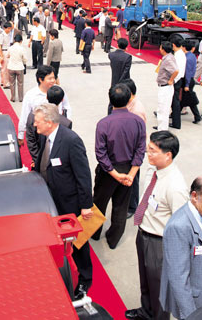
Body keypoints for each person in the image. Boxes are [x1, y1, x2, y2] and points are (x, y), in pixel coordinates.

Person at [125, 131, 188, 320]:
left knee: (159, 289)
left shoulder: (175, 186)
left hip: (159, 243)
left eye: (153, 150)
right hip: (143, 233)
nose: (148, 153)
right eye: (148, 149)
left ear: (168, 155)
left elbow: (181, 226)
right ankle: (146, 312)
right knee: (145, 281)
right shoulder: (153, 171)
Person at [33, 103, 93, 300]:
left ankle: (85, 279)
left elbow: (83, 176)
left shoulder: (71, 141)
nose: (34, 125)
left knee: (77, 243)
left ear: (49, 122)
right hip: (51, 198)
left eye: (38, 121)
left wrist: (86, 206)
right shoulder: (46, 137)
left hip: (69, 202)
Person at [160, 175, 202, 320]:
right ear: (194, 196)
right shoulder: (179, 226)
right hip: (196, 307)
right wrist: (191, 316)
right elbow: (178, 279)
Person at [92, 84, 146, 249]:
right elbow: (141, 149)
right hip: (128, 169)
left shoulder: (104, 123)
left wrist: (114, 173)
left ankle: (95, 233)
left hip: (108, 171)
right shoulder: (138, 121)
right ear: (129, 98)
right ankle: (113, 239)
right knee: (121, 206)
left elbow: (100, 153)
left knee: (99, 203)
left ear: (110, 100)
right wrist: (131, 173)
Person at [17, 65, 72, 146]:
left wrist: (67, 124)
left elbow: (67, 107)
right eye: (50, 78)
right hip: (40, 132)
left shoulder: (58, 90)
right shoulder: (31, 95)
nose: (53, 81)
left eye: (54, 78)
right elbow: (25, 115)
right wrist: (21, 135)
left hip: (57, 129)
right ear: (40, 79)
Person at [119, 78, 147, 219]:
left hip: (133, 149)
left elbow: (138, 135)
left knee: (133, 177)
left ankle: (132, 206)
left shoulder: (136, 110)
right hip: (127, 146)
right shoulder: (129, 104)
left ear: (129, 93)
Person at [26, 85, 72, 164]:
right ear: (62, 100)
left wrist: (37, 160)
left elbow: (31, 140)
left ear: (46, 97)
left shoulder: (33, 116)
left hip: (38, 161)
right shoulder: (66, 123)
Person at [154, 42, 179, 131]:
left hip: (165, 87)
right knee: (162, 109)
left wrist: (171, 80)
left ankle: (162, 130)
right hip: (164, 87)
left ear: (163, 50)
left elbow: (176, 71)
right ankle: (161, 127)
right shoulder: (169, 57)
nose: (159, 49)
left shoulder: (168, 59)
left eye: (160, 47)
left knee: (163, 109)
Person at [181, 41, 202, 124]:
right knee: (184, 98)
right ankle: (174, 113)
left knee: (189, 99)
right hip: (190, 80)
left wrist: (186, 84)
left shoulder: (187, 58)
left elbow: (188, 72)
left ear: (184, 47)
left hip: (188, 80)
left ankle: (197, 116)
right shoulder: (192, 56)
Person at [170, 36, 186, 130]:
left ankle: (176, 123)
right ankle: (175, 119)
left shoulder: (178, 55)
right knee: (174, 101)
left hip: (176, 80)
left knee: (175, 102)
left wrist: (172, 80)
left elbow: (177, 70)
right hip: (178, 79)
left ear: (173, 45)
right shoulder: (180, 54)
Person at [7, 34, 27, 102]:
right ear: (21, 41)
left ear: (14, 40)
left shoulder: (10, 48)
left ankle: (13, 97)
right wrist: (23, 62)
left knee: (12, 83)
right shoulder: (22, 48)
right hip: (19, 67)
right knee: (20, 83)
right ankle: (20, 98)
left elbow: (8, 56)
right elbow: (25, 59)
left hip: (11, 67)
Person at [0, 22, 13, 89]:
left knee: (4, 68)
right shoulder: (2, 35)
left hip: (8, 51)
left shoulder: (9, 34)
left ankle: (3, 81)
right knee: (5, 68)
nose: (9, 30)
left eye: (10, 28)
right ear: (5, 28)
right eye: (8, 28)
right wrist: (1, 55)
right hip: (4, 51)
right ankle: (6, 83)